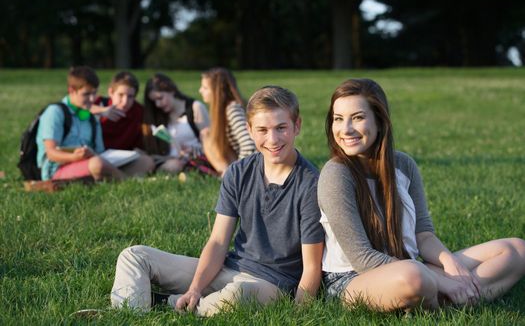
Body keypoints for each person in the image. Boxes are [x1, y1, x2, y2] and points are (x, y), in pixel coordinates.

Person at [111, 86, 325, 317]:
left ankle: (165, 303)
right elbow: (218, 242)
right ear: (249, 130)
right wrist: (195, 288)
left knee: (236, 296)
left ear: (297, 126)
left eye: (281, 128)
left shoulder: (311, 184)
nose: (272, 139)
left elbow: (312, 266)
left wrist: (298, 313)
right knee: (134, 256)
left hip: (272, 284)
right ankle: (132, 314)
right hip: (229, 268)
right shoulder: (238, 172)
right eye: (262, 129)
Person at [318, 78, 525, 312]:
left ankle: (453, 296)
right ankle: (453, 296)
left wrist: (451, 264)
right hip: (352, 280)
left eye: (357, 117)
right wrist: (442, 280)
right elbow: (362, 257)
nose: (345, 129)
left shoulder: (404, 165)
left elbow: (423, 235)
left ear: (380, 120)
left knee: (517, 250)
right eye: (338, 119)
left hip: (408, 267)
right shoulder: (336, 174)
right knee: (414, 276)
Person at [36, 66, 125, 181]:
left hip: (87, 164)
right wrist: (74, 157)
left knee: (144, 161)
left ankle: (116, 176)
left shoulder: (91, 116)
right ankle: (127, 180)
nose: (92, 99)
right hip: (57, 170)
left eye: (95, 93)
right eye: (86, 94)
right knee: (98, 164)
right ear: (72, 91)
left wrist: (91, 154)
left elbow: (100, 153)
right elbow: (51, 153)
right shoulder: (55, 112)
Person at [142, 73, 210, 174]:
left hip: (196, 158)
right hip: (168, 160)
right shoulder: (159, 115)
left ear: (171, 90)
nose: (158, 104)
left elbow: (211, 143)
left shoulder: (195, 108)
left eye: (160, 98)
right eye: (154, 101)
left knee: (176, 165)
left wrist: (193, 150)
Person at [90, 71, 154, 176]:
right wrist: (101, 111)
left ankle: (115, 177)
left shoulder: (139, 112)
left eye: (130, 96)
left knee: (147, 162)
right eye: (121, 95)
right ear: (111, 92)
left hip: (124, 159)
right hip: (97, 158)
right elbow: (78, 110)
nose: (125, 101)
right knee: (97, 165)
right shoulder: (99, 103)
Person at [199, 67, 255, 176]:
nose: (200, 90)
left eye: (205, 88)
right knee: (207, 133)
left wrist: (238, 172)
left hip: (251, 165)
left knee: (207, 136)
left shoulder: (233, 110)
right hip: (241, 161)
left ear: (217, 91)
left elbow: (249, 145)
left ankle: (227, 176)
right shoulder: (225, 110)